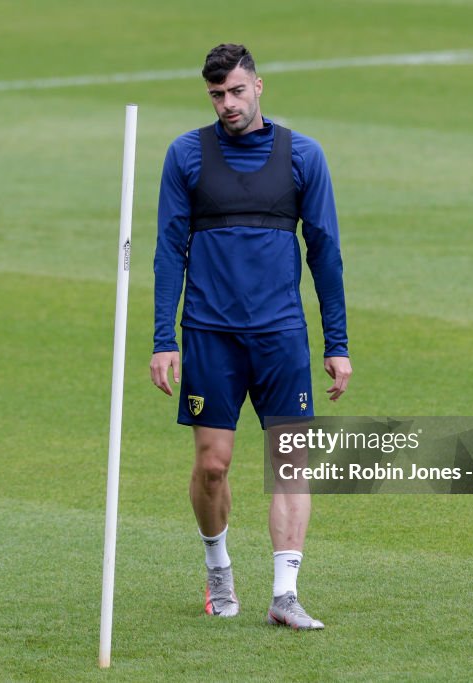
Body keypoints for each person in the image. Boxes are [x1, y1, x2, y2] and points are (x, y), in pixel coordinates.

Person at [150, 44, 352, 630]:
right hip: (209, 334)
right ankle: (219, 570)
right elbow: (168, 250)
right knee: (213, 465)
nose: (228, 104)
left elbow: (326, 254)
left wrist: (335, 344)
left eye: (236, 91)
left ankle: (285, 594)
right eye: (217, 95)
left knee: (290, 464)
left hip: (281, 334)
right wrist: (164, 338)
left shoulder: (302, 156)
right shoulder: (186, 155)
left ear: (258, 86)